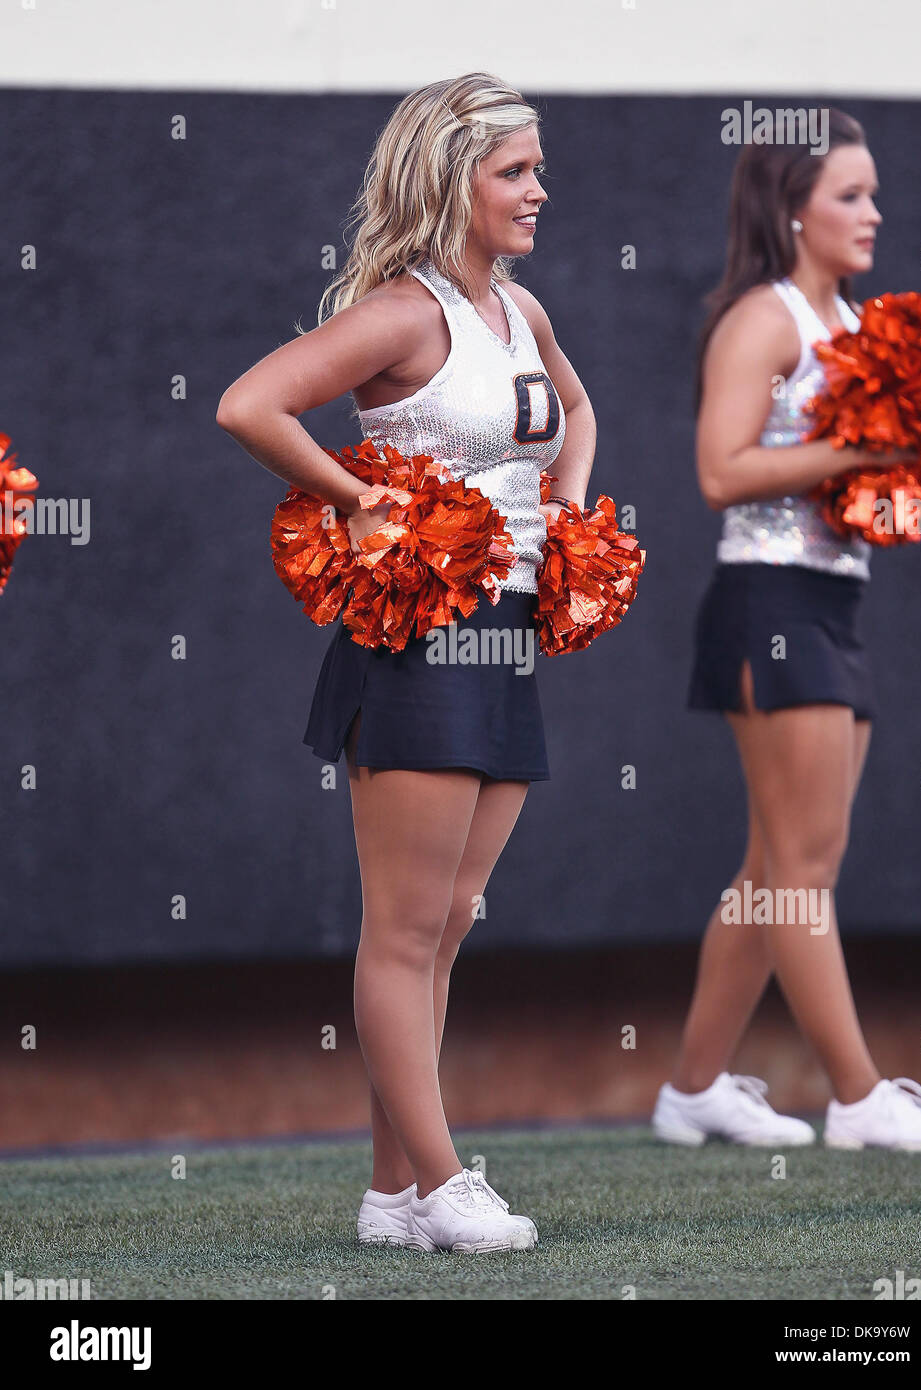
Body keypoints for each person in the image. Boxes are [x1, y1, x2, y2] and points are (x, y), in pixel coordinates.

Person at [216, 72, 597, 1248]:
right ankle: (442, 1177)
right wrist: (359, 498)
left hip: (505, 637)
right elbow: (250, 405)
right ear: (452, 181)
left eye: (538, 167)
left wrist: (570, 519)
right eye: (514, 172)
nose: (540, 189)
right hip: (419, 638)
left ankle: (392, 1197)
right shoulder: (403, 312)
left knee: (452, 919)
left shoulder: (518, 312)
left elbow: (575, 414)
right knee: (404, 928)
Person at [654, 109, 921, 1152]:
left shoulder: (856, 327)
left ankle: (693, 1087)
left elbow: (867, 481)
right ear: (793, 209)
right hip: (769, 606)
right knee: (801, 870)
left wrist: (912, 480)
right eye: (850, 195)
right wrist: (862, 459)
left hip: (832, 602)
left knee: (772, 867)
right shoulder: (765, 321)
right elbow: (718, 471)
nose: (874, 212)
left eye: (874, 193)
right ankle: (859, 1095)